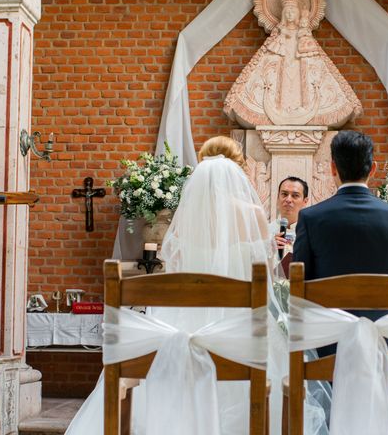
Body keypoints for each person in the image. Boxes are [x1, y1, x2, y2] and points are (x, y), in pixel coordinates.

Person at [66, 136, 327, 435]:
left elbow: (174, 270)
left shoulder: (185, 219)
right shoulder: (253, 214)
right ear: (237, 171)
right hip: (240, 334)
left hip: (184, 327)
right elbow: (267, 276)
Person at [293, 130, 388, 351]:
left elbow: (300, 289)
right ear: (373, 168)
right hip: (381, 349)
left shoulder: (310, 218)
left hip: (327, 350)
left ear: (333, 168)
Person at [273, 176, 309, 260]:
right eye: (284, 194)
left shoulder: (311, 233)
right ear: (278, 198)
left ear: (305, 202)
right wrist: (268, 250)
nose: (288, 199)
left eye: (295, 195)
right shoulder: (264, 232)